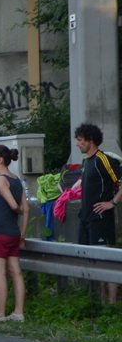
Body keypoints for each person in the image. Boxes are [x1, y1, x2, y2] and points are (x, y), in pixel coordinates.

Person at [74, 123, 120, 303]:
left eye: (79, 140)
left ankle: (112, 303)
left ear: (90, 140)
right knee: (93, 261)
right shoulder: (87, 162)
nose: (77, 144)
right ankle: (99, 302)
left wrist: (112, 203)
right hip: (86, 218)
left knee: (106, 260)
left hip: (101, 218)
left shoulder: (103, 159)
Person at [0, 145, 29, 323]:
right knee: (16, 272)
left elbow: (15, 207)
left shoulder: (0, 181)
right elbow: (26, 209)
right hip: (13, 233)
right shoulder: (17, 180)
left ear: (0, 160)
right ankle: (18, 313)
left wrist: (15, 209)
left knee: (0, 273)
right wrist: (22, 234)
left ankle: (0, 314)